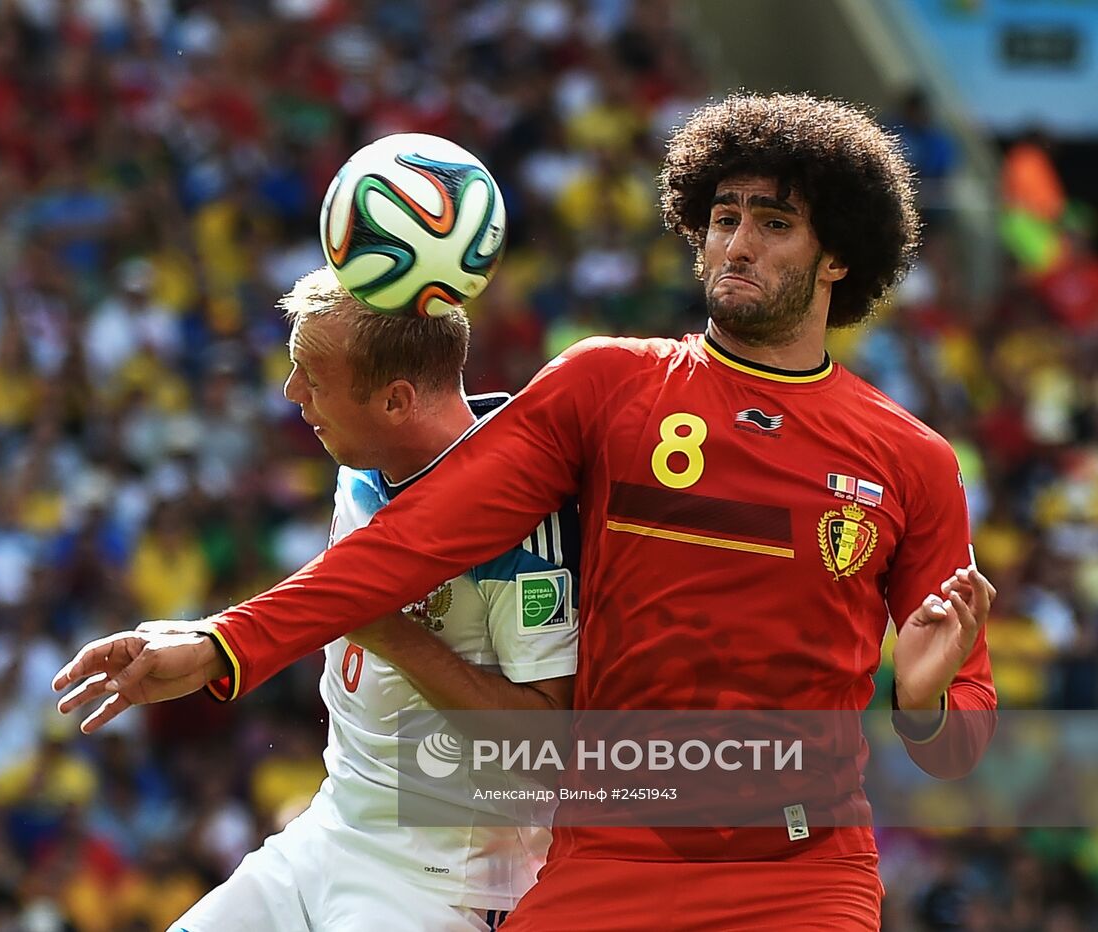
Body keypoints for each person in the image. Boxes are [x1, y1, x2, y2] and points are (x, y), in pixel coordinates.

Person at [54, 94, 998, 929]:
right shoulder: (605, 385)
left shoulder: (912, 463)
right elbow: (412, 542)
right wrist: (225, 643)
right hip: (609, 860)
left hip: (800, 874)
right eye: (721, 217)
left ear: (837, 256)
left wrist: (921, 705)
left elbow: (959, 746)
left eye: (774, 223)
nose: (736, 243)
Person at [61, 268, 580, 930]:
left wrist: (389, 631)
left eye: (312, 375)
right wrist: (211, 640)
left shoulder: (525, 526)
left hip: (436, 885)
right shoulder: (361, 463)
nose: (291, 392)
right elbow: (351, 584)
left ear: (395, 401)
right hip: (327, 831)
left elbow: (544, 757)